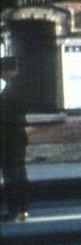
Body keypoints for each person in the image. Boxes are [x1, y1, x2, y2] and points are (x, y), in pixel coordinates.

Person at [0, 65, 31, 221]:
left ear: (10, 71)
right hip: (15, 138)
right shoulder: (14, 87)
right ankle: (21, 209)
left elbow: (7, 115)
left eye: (2, 71)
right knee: (18, 174)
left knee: (12, 175)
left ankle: (15, 210)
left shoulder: (13, 90)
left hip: (10, 139)